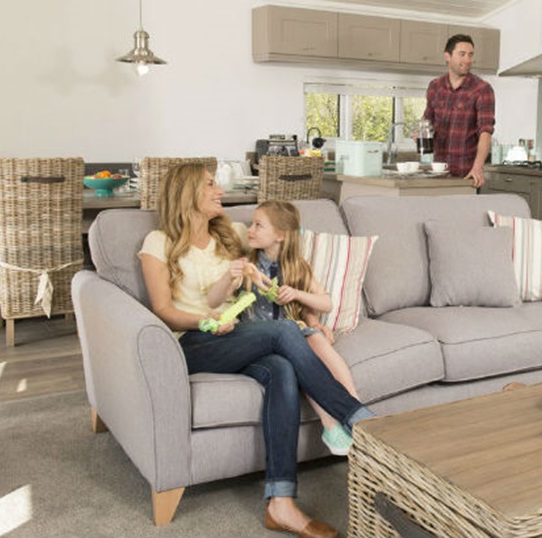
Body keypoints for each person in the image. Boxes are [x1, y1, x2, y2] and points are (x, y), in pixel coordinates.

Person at [138, 163, 372, 538]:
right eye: (211, 185)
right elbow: (163, 309)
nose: (220, 191)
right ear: (188, 194)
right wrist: (206, 323)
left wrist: (313, 317)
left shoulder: (229, 233)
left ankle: (281, 504)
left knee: (282, 368)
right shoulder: (158, 242)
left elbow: (282, 254)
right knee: (281, 332)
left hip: (237, 336)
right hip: (192, 342)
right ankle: (357, 417)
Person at [210, 200, 361, 457]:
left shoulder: (298, 266)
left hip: (294, 331)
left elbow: (325, 302)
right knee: (300, 353)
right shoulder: (248, 266)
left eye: (259, 225)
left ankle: (355, 410)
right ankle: (333, 422)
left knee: (317, 342)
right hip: (260, 337)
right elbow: (215, 301)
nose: (250, 230)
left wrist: (298, 295)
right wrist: (231, 276)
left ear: (280, 235)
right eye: (251, 224)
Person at [423, 33, 496, 188]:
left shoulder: (482, 89)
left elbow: (486, 131)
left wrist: (478, 167)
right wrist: (419, 134)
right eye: (462, 54)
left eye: (470, 55)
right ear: (447, 56)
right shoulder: (435, 86)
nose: (467, 60)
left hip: (466, 175)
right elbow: (427, 122)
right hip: (439, 174)